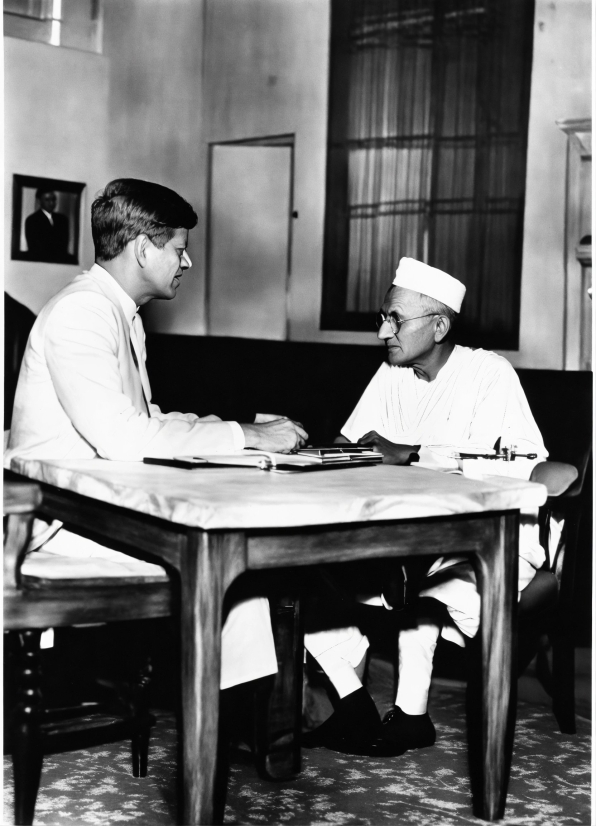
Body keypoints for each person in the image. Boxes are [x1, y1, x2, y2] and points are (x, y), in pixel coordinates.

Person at [6, 177, 308, 691]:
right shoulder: (82, 312)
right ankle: (245, 725)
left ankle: (255, 720)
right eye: (179, 250)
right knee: (226, 566)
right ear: (144, 249)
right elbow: (124, 439)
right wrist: (246, 437)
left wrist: (243, 431)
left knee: (238, 559)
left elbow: (148, 420)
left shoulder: (119, 313)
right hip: (56, 521)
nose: (186, 263)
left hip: (100, 506)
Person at [303, 257, 548, 755]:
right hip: (401, 537)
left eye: (396, 320)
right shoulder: (392, 374)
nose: (382, 332)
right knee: (290, 575)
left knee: (422, 588)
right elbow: (349, 441)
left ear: (439, 325)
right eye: (382, 318)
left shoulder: (488, 373)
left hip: (487, 543)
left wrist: (411, 453)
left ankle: (411, 716)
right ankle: (354, 703)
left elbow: (518, 465)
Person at [25, 187, 70, 262]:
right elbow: (34, 247)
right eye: (47, 200)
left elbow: (64, 245)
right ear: (39, 201)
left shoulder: (62, 220)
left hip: (60, 262)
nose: (51, 203)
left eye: (53, 199)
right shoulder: (32, 220)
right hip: (40, 262)